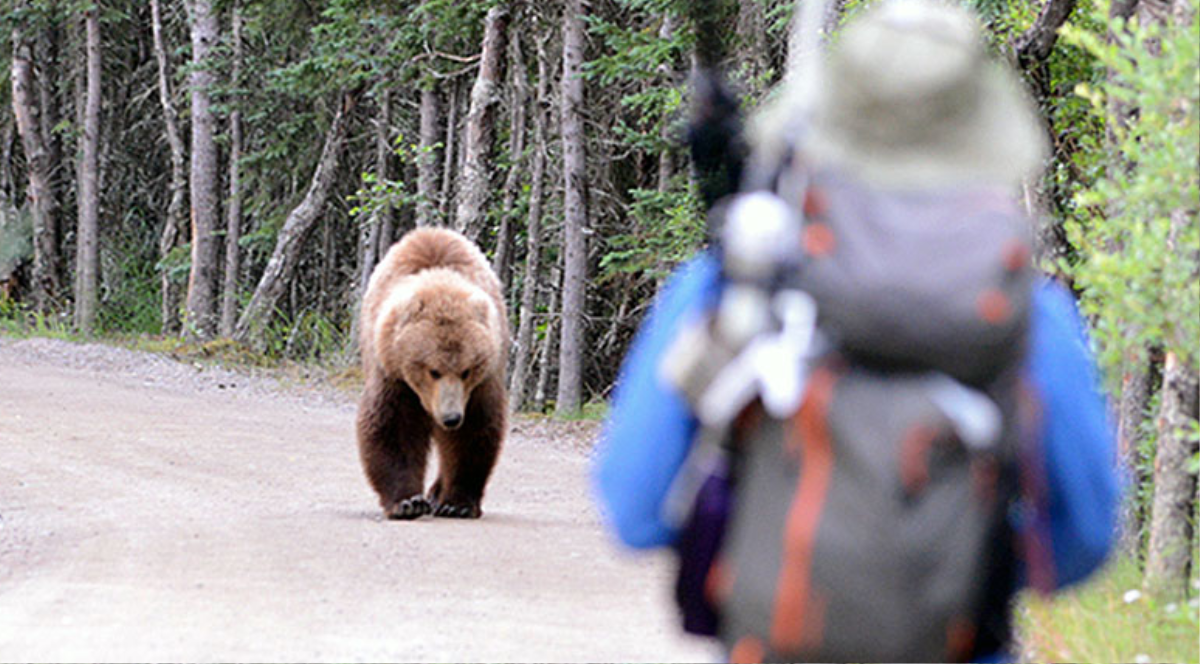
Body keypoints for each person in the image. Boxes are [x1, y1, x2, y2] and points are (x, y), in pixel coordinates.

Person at [592, 0, 1119, 660]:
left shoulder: (738, 282)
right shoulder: (1029, 316)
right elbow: (1084, 541)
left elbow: (634, 509)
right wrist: (952, 574)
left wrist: (765, 544)